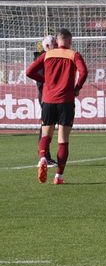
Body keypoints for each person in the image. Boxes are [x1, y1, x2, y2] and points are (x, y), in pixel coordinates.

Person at [25, 29, 87, 184]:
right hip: (65, 101)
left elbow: (29, 71)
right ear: (69, 41)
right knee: (63, 140)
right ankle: (58, 176)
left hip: (48, 100)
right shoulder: (74, 54)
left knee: (46, 135)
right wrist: (77, 87)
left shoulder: (47, 54)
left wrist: (44, 79)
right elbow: (84, 72)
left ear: (57, 41)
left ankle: (42, 158)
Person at [32, 35, 58, 166]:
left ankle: (46, 156)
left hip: (49, 95)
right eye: (54, 44)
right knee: (46, 126)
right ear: (47, 46)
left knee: (48, 126)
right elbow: (40, 79)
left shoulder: (48, 58)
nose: (57, 46)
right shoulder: (42, 59)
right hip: (45, 96)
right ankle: (44, 157)